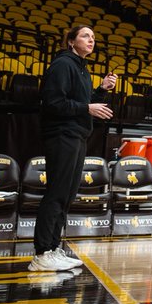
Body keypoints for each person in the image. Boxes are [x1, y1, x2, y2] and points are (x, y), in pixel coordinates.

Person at [31, 25, 117, 272]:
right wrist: (87, 108)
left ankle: (53, 247)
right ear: (70, 41)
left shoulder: (81, 68)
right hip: (61, 135)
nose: (91, 40)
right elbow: (54, 102)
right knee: (57, 192)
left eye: (93, 37)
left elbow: (82, 102)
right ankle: (42, 253)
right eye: (85, 36)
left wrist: (101, 90)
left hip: (77, 135)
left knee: (66, 195)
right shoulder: (63, 65)